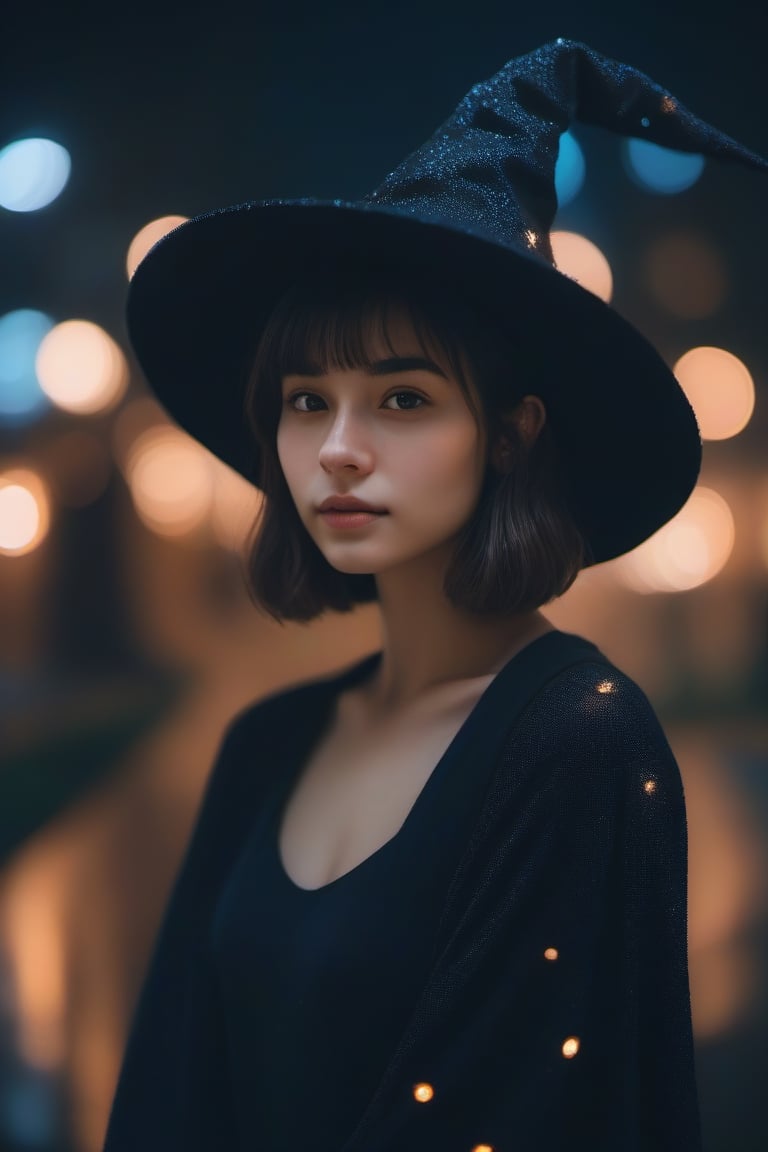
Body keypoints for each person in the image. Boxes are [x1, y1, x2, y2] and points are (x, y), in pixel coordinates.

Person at [101, 39, 766, 1152]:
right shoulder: (268, 742)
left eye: (403, 401)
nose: (339, 451)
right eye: (307, 401)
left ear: (512, 436)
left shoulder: (578, 741)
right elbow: (169, 1087)